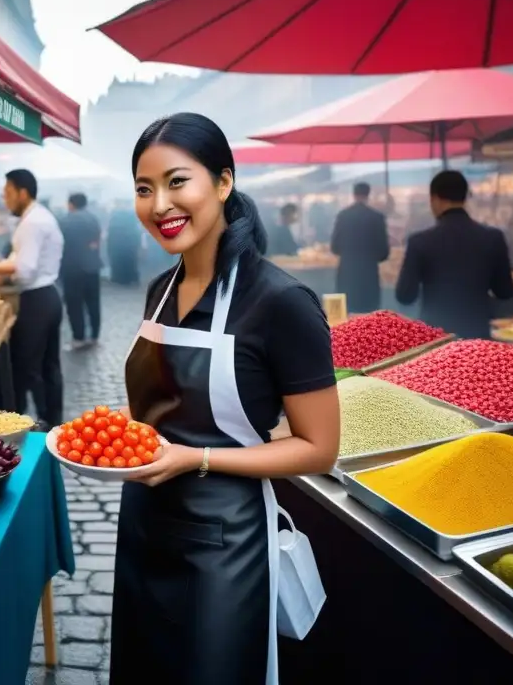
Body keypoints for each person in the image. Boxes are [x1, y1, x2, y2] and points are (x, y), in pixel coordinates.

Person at [113, 113, 340, 685]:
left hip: (224, 545)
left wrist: (199, 458)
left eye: (176, 181)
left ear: (223, 182)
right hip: (144, 527)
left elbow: (319, 448)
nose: (159, 203)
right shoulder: (160, 291)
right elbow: (163, 406)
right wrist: (122, 429)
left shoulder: (282, 302)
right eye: (144, 189)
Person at [0, 169, 65, 426]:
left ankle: (40, 424)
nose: (5, 200)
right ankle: (52, 419)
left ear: (22, 192)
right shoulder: (38, 217)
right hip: (48, 296)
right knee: (48, 366)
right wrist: (1, 273)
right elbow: (21, 261)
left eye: (8, 193)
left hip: (36, 300)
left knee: (29, 367)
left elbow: (26, 269)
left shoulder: (32, 222)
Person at [395, 170, 513, 339]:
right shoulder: (493, 238)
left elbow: (405, 296)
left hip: (434, 338)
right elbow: (505, 292)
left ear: (434, 199)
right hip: (477, 336)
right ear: (465, 197)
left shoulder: (420, 241)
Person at [330, 182, 390, 313]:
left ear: (354, 194)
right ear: (368, 194)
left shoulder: (343, 216)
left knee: (346, 320)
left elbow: (334, 247)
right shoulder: (377, 218)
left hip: (347, 274)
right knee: (368, 320)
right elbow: (384, 253)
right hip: (369, 276)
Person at [59, 193, 103, 349]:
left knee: (74, 304)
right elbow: (97, 240)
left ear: (71, 204)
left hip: (73, 268)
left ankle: (79, 338)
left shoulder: (66, 221)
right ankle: (94, 336)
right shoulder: (93, 219)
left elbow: (60, 244)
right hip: (92, 266)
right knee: (93, 303)